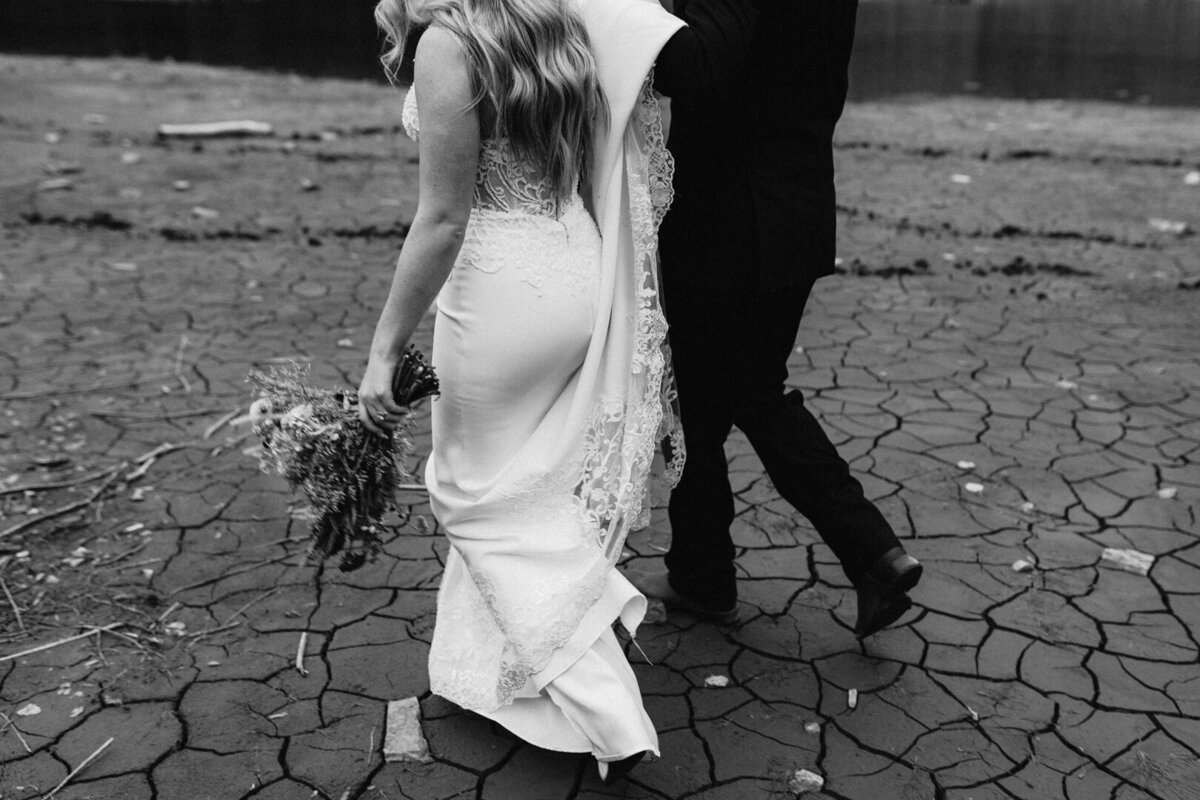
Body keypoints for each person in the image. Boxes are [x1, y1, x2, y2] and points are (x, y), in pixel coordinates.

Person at [356, 0, 757, 784]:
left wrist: (382, 350)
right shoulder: (549, 18)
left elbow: (441, 219)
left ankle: (606, 708)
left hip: (500, 293)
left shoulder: (450, 43)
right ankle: (492, 677)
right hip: (576, 268)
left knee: (472, 495)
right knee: (526, 492)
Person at [633, 0, 923, 640]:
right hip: (795, 208)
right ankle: (869, 553)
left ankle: (708, 579)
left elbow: (697, 64)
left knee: (697, 407)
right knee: (746, 394)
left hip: (725, 221)